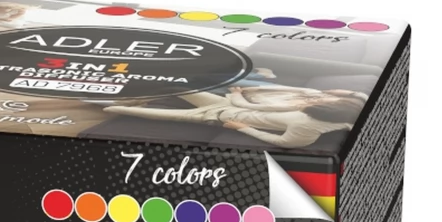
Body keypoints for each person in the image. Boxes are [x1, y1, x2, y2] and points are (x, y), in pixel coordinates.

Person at [104, 88, 368, 149]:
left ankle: (114, 104)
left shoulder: (306, 127)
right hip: (225, 104)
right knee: (179, 86)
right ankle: (128, 95)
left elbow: (284, 143)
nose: (322, 99)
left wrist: (243, 128)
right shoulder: (308, 110)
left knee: (124, 112)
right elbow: (361, 95)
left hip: (214, 117)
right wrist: (237, 96)